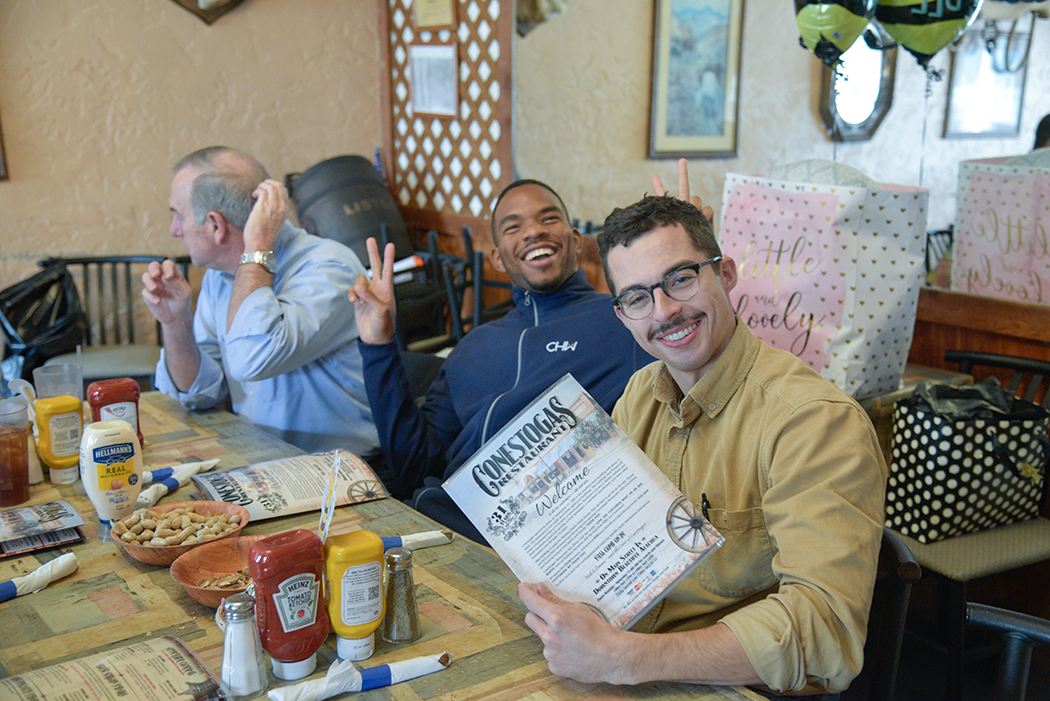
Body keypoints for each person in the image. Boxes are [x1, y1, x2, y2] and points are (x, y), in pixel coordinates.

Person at [517, 166, 887, 698]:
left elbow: (824, 629)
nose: (665, 310)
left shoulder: (812, 421)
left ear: (726, 274)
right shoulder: (640, 393)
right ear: (621, 316)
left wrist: (624, 657)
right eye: (639, 298)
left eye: (681, 278)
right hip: (621, 673)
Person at [349, 179, 654, 542]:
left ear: (575, 239)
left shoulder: (627, 320)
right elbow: (414, 468)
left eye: (548, 219)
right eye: (514, 227)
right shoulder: (474, 347)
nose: (534, 232)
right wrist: (379, 347)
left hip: (560, 538)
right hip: (442, 530)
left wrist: (693, 269)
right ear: (497, 257)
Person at [142, 146, 379, 458]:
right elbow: (200, 394)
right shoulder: (220, 276)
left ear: (216, 225)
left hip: (339, 471)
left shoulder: (329, 267)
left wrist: (257, 246)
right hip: (263, 463)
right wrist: (176, 324)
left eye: (179, 215)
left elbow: (250, 359)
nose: (175, 230)